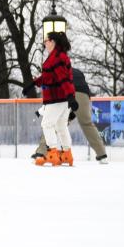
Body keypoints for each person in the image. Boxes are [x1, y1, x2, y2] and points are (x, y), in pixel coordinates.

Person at [29, 67, 108, 164]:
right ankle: (102, 154)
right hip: (83, 94)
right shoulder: (77, 71)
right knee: (86, 123)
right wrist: (70, 116)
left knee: (51, 122)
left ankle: (41, 153)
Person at [29, 32, 76, 167]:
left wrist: (70, 96)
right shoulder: (58, 56)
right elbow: (49, 76)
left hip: (56, 98)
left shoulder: (56, 57)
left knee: (47, 124)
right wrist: (33, 83)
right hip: (62, 99)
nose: (45, 43)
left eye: (46, 40)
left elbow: (63, 78)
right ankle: (67, 153)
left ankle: (52, 153)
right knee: (60, 125)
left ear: (53, 41)